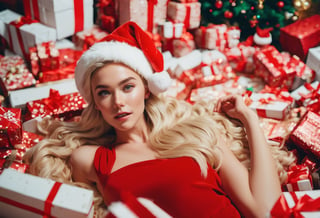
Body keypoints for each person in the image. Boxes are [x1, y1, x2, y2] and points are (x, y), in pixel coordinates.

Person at [24, 21, 295, 218]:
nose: (118, 101)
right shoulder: (91, 158)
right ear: (95, 102)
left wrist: (249, 120)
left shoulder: (195, 134)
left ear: (146, 88)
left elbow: (265, 211)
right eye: (104, 92)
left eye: (127, 87)